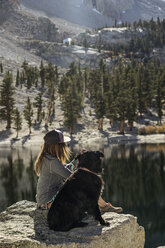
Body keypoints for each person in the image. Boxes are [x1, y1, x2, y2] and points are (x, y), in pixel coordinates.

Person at [34, 129, 123, 213]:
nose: (65, 146)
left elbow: (65, 170)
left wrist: (79, 158)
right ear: (57, 146)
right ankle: (103, 206)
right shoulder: (52, 161)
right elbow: (72, 178)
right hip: (48, 203)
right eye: (63, 144)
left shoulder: (47, 158)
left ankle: (102, 205)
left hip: (44, 201)